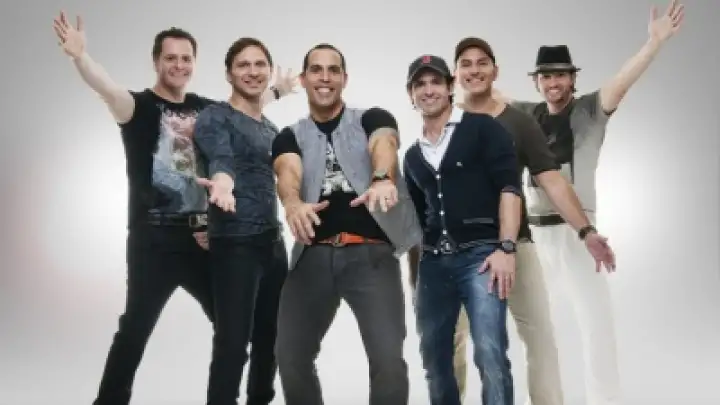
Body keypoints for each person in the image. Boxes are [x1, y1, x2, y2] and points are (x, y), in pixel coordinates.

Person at [51, 12, 293, 405]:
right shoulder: (139, 108)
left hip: (204, 238)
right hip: (155, 240)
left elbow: (245, 107)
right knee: (135, 329)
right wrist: (81, 58)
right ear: (156, 61)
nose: (178, 65)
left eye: (186, 58)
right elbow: (107, 89)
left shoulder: (206, 109)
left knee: (236, 330)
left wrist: (278, 91)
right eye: (170, 58)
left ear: (194, 63)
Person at [407, 37, 617, 405]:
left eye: (482, 63)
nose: (474, 70)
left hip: (515, 243)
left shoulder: (517, 122)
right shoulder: (438, 123)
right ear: (455, 75)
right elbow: (424, 204)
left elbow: (551, 179)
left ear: (495, 70)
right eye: (466, 64)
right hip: (455, 252)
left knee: (538, 336)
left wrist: (585, 231)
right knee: (451, 342)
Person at [496, 2, 684, 404]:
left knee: (596, 326)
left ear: (572, 78)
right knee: (539, 330)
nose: (553, 83)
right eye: (546, 76)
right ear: (537, 82)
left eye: (560, 75)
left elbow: (622, 81)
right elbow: (485, 94)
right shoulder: (526, 115)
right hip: (535, 237)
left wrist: (653, 44)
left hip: (579, 234)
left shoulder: (590, 111)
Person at [270, 43, 422, 405]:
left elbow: (384, 143)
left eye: (333, 70)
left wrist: (382, 178)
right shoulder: (289, 135)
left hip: (371, 255)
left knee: (388, 361)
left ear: (344, 78)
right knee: (289, 357)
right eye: (316, 70)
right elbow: (287, 171)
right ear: (303, 79)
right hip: (313, 256)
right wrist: (292, 203)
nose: (325, 77)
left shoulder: (371, 117)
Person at [403, 54, 522, 405]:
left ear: (450, 86)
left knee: (490, 353)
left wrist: (506, 247)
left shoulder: (483, 128)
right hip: (433, 265)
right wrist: (416, 282)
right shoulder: (412, 156)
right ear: (411, 94)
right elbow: (417, 224)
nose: (428, 90)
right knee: (434, 360)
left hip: (481, 257)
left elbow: (510, 188)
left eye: (435, 82)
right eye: (420, 84)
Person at [193, 37, 289, 405]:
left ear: (269, 69)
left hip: (273, 244)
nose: (252, 71)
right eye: (243, 65)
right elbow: (222, 158)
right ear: (229, 73)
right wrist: (223, 183)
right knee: (233, 344)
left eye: (260, 64)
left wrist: (279, 92)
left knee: (271, 338)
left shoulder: (271, 129)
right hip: (235, 245)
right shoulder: (214, 116)